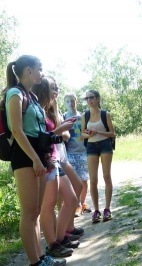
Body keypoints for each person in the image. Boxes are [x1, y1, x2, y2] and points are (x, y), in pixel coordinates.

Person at [0, 55, 66, 265]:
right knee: (28, 213)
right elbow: (17, 131)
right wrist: (35, 160)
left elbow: (38, 132)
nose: (42, 72)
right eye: (40, 68)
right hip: (25, 156)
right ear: (28, 70)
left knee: (35, 212)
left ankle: (41, 258)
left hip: (37, 156)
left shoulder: (33, 97)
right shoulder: (15, 94)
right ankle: (35, 262)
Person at [32, 76, 80, 258]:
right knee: (48, 206)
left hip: (56, 159)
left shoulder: (49, 110)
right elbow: (40, 139)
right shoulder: (38, 112)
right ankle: (53, 244)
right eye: (53, 89)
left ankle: (59, 239)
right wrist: (60, 130)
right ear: (44, 90)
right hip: (48, 160)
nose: (56, 92)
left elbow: (56, 135)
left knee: (72, 199)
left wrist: (62, 129)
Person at [81, 89, 115, 223]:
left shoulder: (105, 114)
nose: (89, 100)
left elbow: (112, 133)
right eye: (87, 98)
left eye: (92, 97)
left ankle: (107, 209)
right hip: (91, 146)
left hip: (105, 145)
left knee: (106, 176)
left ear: (98, 99)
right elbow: (81, 135)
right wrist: (88, 134)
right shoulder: (85, 115)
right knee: (93, 180)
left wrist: (98, 131)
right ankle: (96, 211)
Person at [63, 92, 92, 216]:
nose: (71, 103)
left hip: (83, 152)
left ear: (77, 102)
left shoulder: (83, 116)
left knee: (84, 179)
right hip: (69, 153)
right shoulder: (63, 117)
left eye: (72, 100)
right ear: (64, 103)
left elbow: (87, 132)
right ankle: (76, 205)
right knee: (72, 181)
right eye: (68, 101)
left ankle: (83, 202)